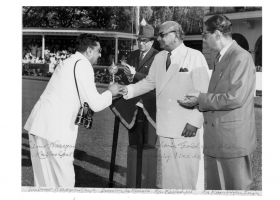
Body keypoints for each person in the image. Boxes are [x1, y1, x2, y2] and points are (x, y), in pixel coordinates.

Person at [119, 21, 210, 189]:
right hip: (166, 127)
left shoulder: (195, 56)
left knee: (188, 177)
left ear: (176, 35)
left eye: (162, 34)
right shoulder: (160, 57)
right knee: (170, 178)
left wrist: (194, 122)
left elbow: (203, 92)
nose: (158, 38)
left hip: (186, 128)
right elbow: (149, 82)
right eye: (159, 34)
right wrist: (128, 90)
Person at [24, 33, 120, 187]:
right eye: (98, 50)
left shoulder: (69, 61)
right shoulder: (83, 64)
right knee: (64, 182)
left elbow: (83, 102)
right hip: (54, 131)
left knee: (44, 184)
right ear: (89, 50)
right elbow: (94, 103)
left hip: (39, 126)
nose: (100, 54)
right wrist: (111, 92)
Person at [180, 14, 257, 190]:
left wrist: (201, 98)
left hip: (233, 141)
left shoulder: (241, 57)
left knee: (235, 189)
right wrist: (198, 100)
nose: (205, 40)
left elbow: (235, 97)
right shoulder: (221, 57)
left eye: (205, 35)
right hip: (219, 140)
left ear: (216, 34)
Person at [119, 20, 159, 147]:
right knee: (134, 140)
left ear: (151, 41)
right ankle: (133, 166)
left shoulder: (158, 56)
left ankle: (146, 166)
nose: (141, 43)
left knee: (149, 141)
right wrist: (125, 76)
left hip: (151, 104)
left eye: (144, 41)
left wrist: (134, 74)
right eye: (139, 40)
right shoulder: (133, 55)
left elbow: (155, 80)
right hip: (133, 102)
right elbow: (128, 78)